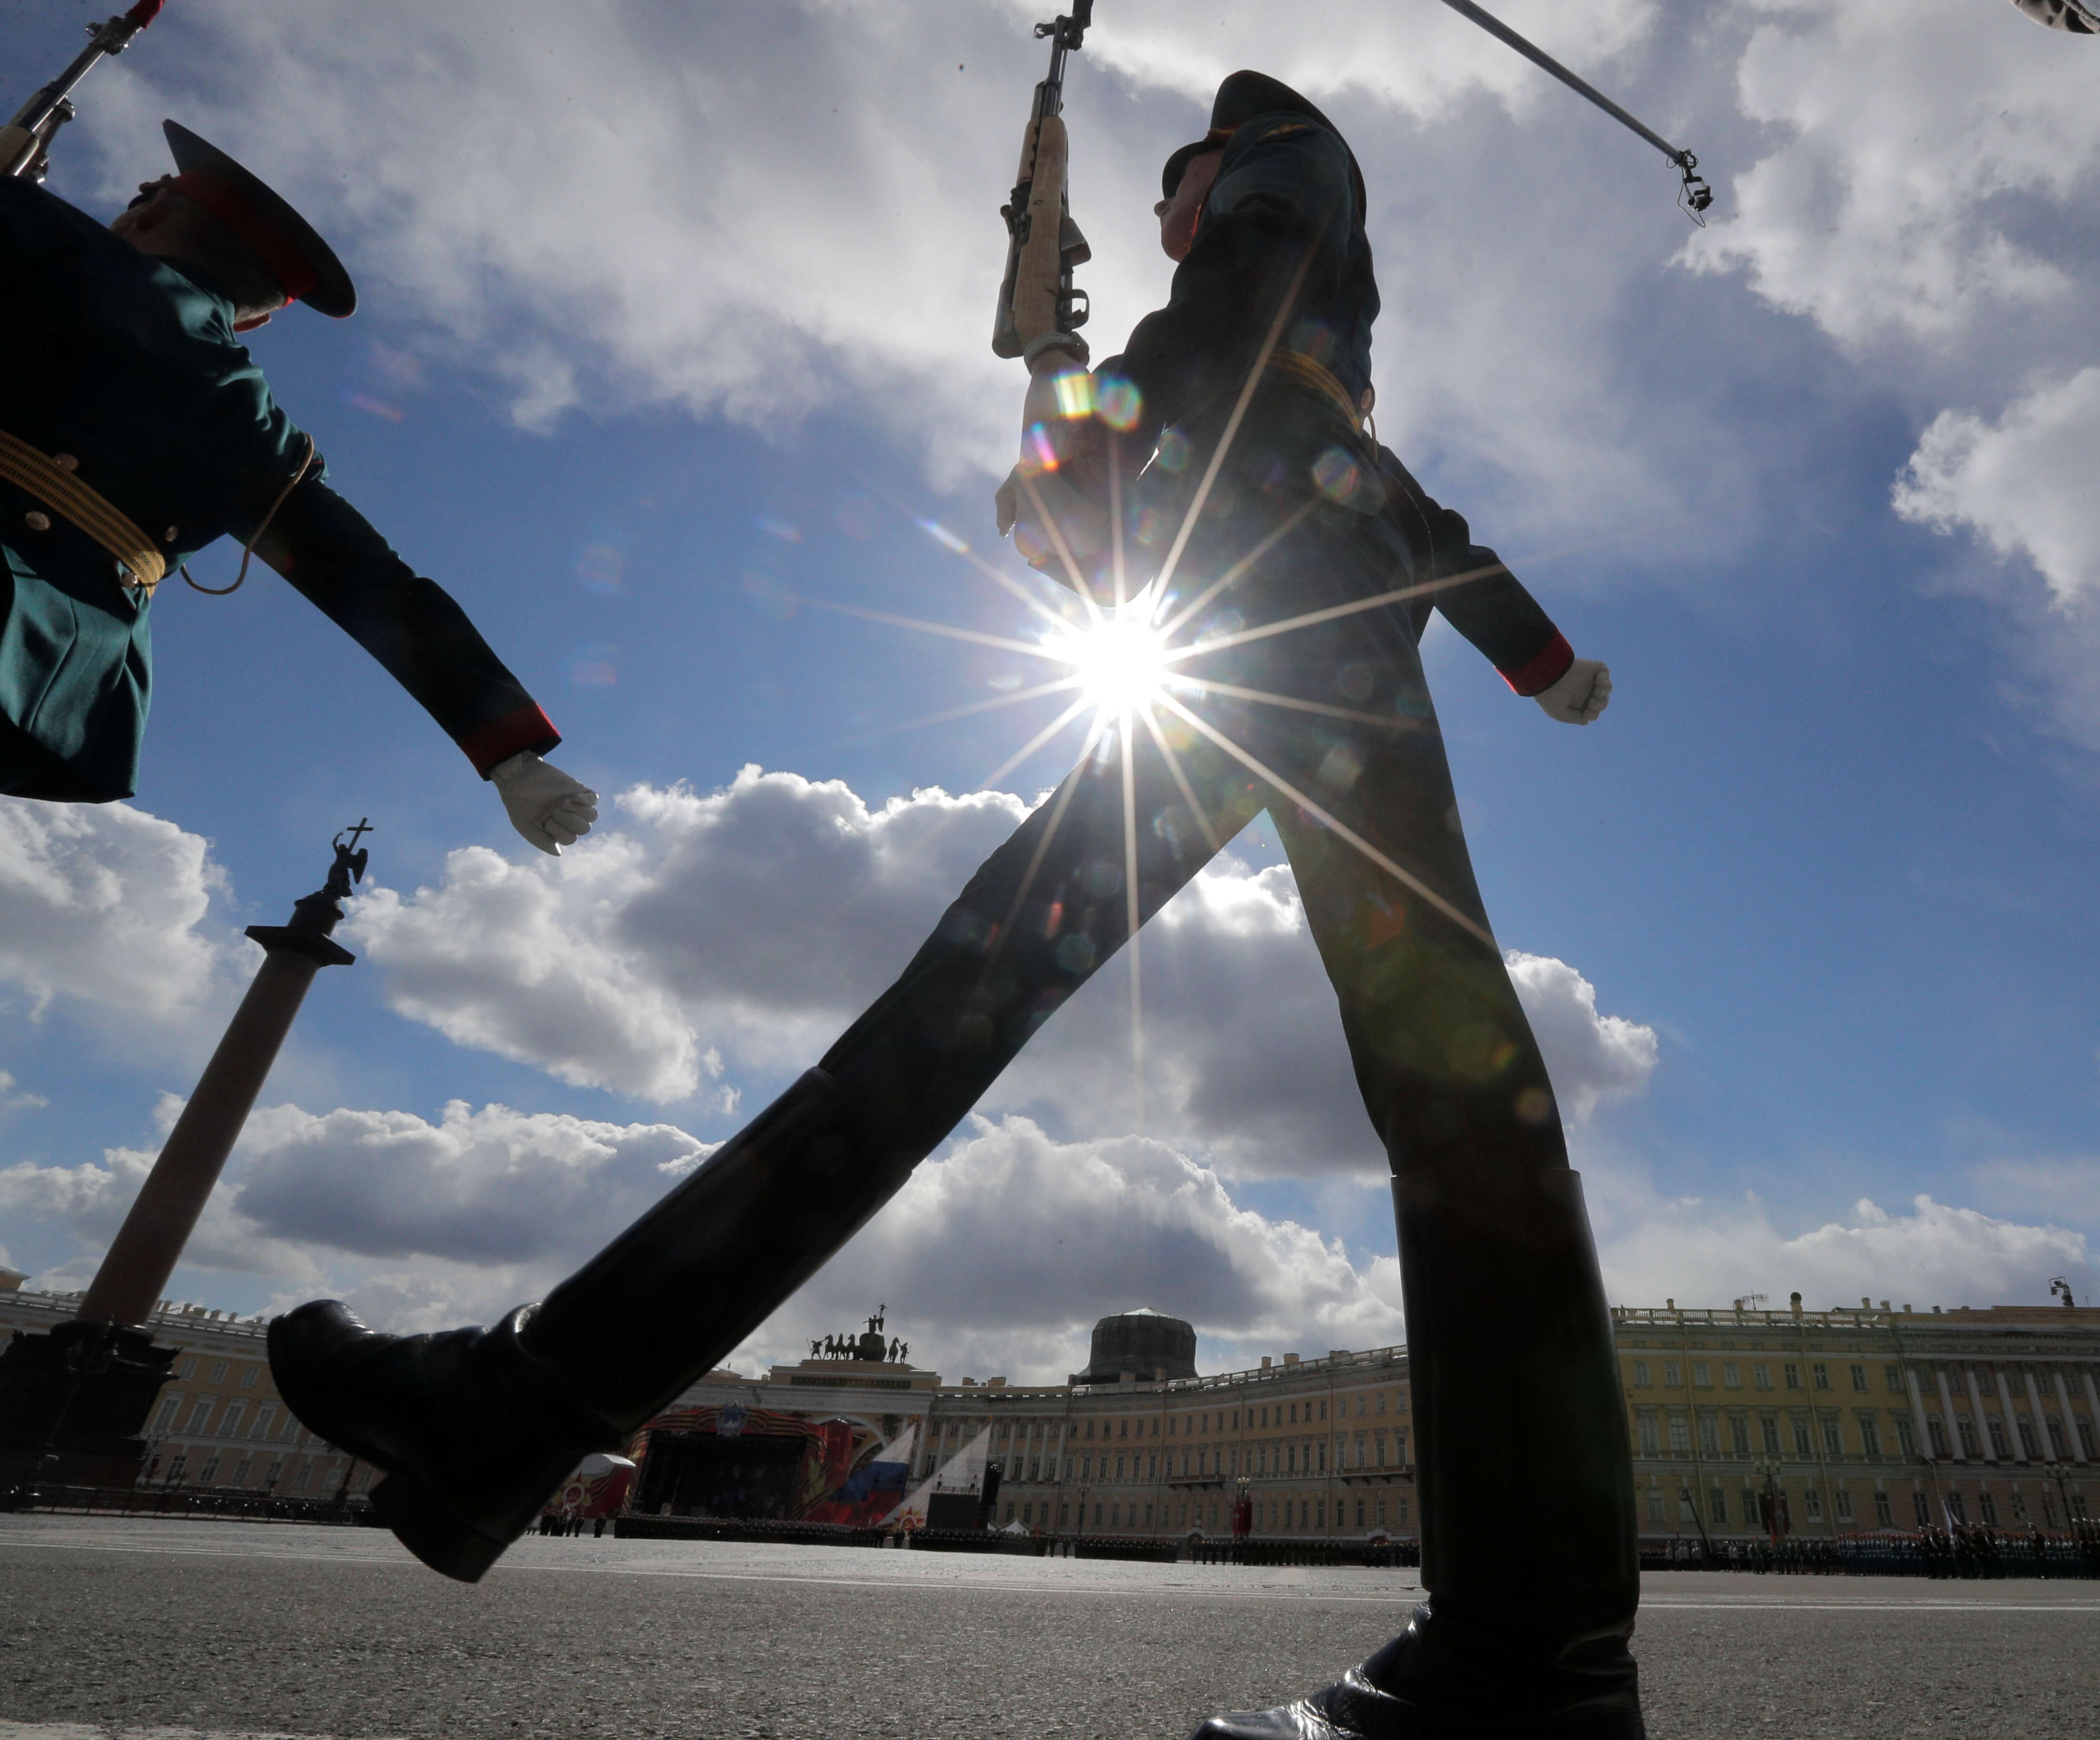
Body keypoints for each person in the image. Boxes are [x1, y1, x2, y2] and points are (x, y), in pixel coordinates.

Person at [268, 69, 1639, 1739]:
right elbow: (1415, 532)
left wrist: (1084, 402)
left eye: (1176, 186)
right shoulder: (1326, 404)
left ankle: (518, 1403)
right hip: (1297, 654)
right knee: (1449, 1097)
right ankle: (1540, 1649)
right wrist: (1545, 665)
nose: (1162, 214)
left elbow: (1161, 437)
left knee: (985, 1016)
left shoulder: (1274, 205)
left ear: (1239, 168)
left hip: (1261, 650)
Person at [0, 121, 596, 852]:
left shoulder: (51, 241)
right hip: (51, 676)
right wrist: (511, 757)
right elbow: (375, 588)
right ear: (251, 318)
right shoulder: (256, 426)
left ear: (149, 212)